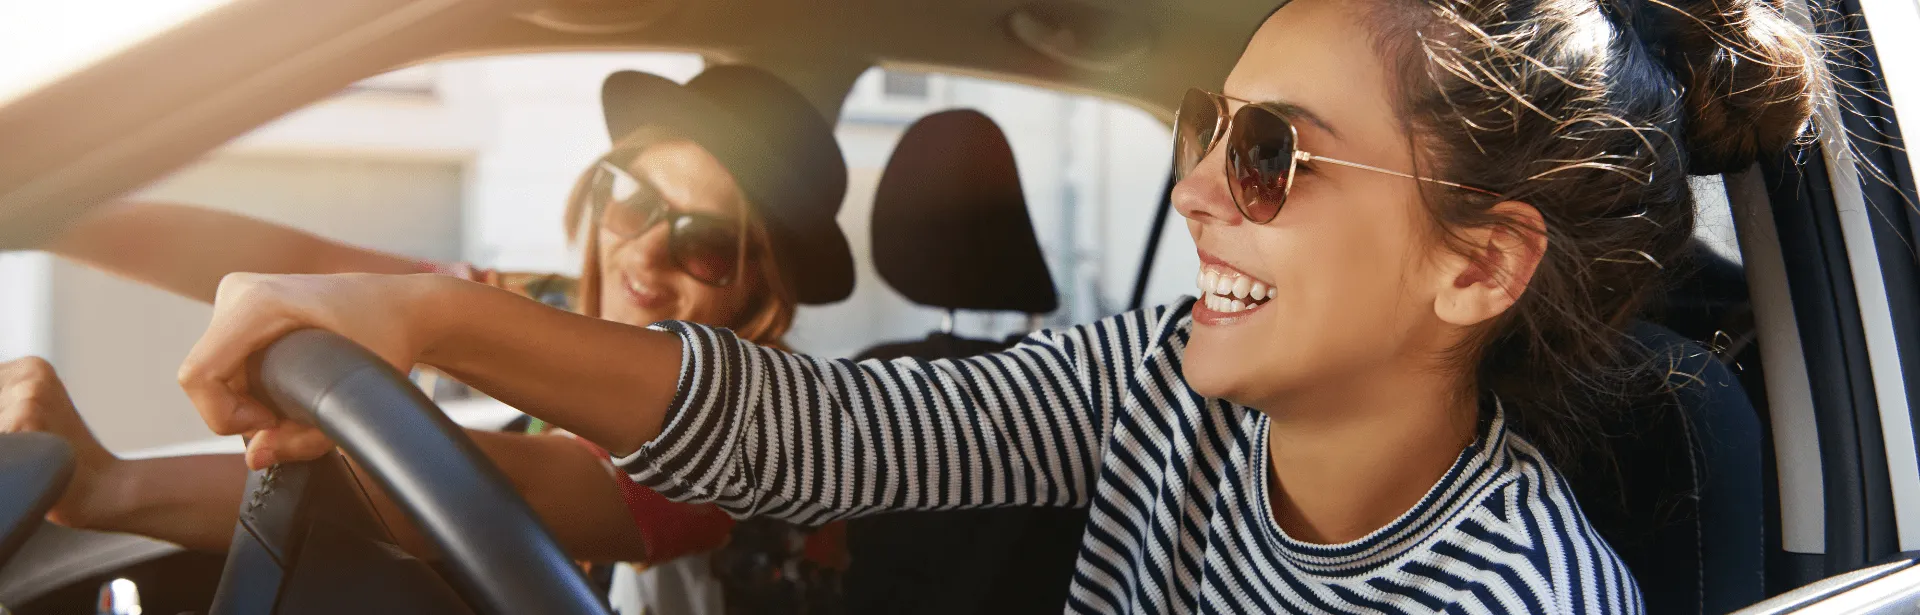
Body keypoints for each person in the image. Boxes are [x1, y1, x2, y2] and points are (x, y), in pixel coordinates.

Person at [162, 0, 1827, 611]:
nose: (1197, 192)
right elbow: (819, 435)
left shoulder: (1518, 597)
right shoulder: (1156, 384)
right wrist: (420, 320)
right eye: (1200, 134)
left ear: (1477, 265)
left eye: (1273, 154)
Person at [0, 66, 854, 612]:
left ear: (758, 290)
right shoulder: (546, 303)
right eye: (633, 202)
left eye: (706, 243)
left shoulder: (762, 438)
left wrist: (113, 484)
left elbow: (458, 483)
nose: (645, 254)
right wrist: (59, 210)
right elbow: (303, 267)